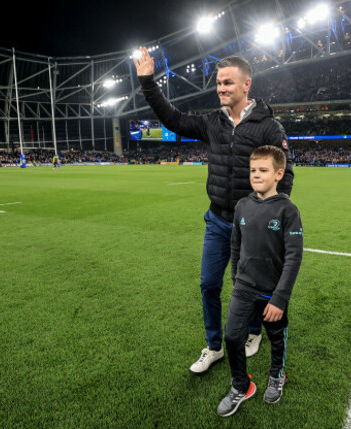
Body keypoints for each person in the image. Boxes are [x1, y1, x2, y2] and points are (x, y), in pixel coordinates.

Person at [132, 48, 294, 374]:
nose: (221, 89)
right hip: (218, 220)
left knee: (246, 286)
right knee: (209, 284)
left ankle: (252, 332)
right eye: (219, 83)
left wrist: (269, 215)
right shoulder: (212, 123)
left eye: (227, 83)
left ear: (246, 85)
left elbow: (284, 174)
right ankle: (214, 346)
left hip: (251, 224)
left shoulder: (268, 128)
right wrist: (148, 82)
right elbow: (173, 119)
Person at [217, 145, 303, 417]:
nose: (256, 175)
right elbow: (235, 245)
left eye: (263, 170)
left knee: (276, 339)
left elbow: (293, 256)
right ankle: (241, 385)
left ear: (279, 174)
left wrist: (280, 298)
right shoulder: (242, 205)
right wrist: (235, 278)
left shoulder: (288, 210)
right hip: (243, 287)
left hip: (271, 292)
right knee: (232, 337)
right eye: (253, 170)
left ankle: (277, 375)